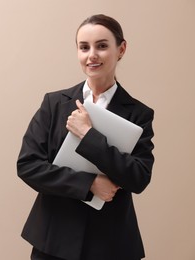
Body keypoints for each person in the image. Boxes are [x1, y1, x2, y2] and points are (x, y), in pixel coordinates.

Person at [17, 14, 155, 260]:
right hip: (53, 240)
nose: (92, 55)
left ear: (121, 49)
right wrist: (89, 184)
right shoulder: (54, 103)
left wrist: (88, 135)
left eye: (102, 46)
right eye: (84, 47)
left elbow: (138, 178)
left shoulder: (139, 114)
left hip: (111, 244)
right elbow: (28, 166)